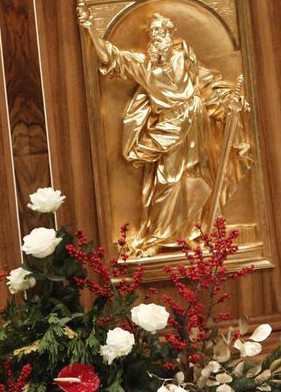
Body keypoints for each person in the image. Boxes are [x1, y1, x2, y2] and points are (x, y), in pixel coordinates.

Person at [90, 13, 251, 255]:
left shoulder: (183, 54)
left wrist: (229, 100)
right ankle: (159, 235)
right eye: (152, 32)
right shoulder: (144, 66)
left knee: (196, 177)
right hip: (168, 126)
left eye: (160, 31)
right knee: (167, 181)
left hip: (196, 121)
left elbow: (205, 83)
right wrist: (89, 27)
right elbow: (111, 56)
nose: (156, 36)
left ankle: (194, 233)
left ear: (169, 34)